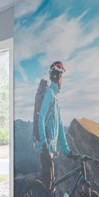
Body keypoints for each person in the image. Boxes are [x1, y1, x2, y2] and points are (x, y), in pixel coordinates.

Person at [33, 60, 71, 189]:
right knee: (48, 185)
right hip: (46, 147)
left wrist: (67, 151)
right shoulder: (49, 94)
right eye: (62, 77)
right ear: (58, 76)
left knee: (51, 185)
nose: (62, 81)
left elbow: (60, 128)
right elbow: (41, 118)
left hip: (51, 149)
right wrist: (44, 143)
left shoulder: (56, 98)